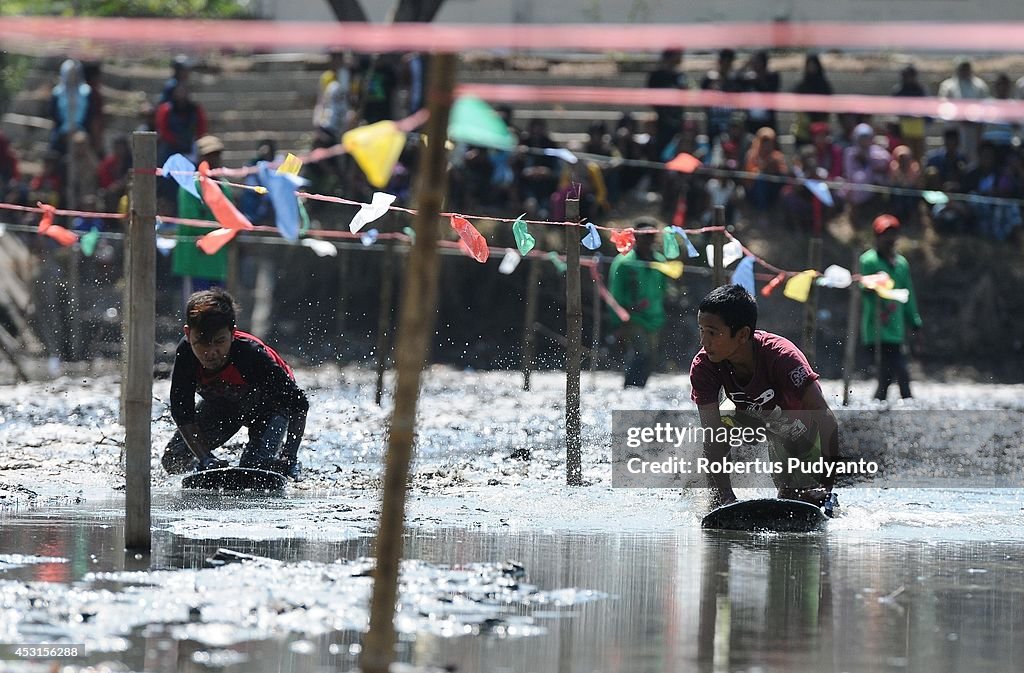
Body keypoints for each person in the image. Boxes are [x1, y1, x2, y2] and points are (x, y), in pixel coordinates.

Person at [690, 284, 840, 507]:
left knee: (794, 500)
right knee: (720, 423)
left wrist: (827, 485)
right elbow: (712, 435)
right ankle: (720, 498)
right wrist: (724, 496)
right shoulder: (704, 366)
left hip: (795, 426)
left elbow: (826, 420)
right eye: (702, 331)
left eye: (713, 333)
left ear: (742, 335)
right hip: (748, 414)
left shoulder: (784, 358)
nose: (704, 342)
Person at [162, 288, 308, 478]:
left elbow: (298, 404)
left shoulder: (250, 354)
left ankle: (277, 467)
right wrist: (205, 458)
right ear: (188, 334)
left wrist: (289, 456)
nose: (211, 352)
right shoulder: (186, 354)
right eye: (202, 343)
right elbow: (182, 413)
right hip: (222, 407)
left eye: (219, 342)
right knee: (174, 459)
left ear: (232, 334)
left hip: (270, 407)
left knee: (254, 470)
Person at [860, 215, 923, 401]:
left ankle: (879, 405)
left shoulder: (902, 264)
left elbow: (908, 295)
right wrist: (875, 284)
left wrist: (915, 323)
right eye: (885, 235)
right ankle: (907, 401)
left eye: (893, 235)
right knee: (899, 370)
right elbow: (864, 287)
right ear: (876, 237)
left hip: (896, 328)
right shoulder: (869, 261)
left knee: (887, 375)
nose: (889, 239)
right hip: (877, 327)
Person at [607, 219, 667, 388]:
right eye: (645, 236)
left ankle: (640, 393)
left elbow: (663, 290)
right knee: (640, 354)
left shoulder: (660, 262)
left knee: (651, 358)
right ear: (635, 237)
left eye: (652, 236)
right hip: (633, 318)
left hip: (654, 319)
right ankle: (629, 392)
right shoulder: (624, 262)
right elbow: (615, 294)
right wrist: (617, 321)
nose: (648, 240)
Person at [172, 135, 231, 301]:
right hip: (195, 262)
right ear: (200, 158)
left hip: (217, 263)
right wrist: (224, 229)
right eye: (209, 155)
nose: (214, 159)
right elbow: (191, 220)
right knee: (194, 311)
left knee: (218, 313)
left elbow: (231, 218)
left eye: (217, 155)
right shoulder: (191, 185)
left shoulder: (225, 186)